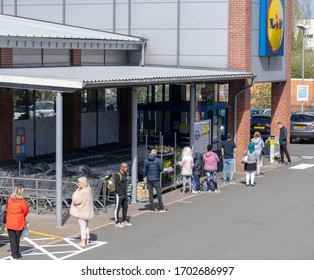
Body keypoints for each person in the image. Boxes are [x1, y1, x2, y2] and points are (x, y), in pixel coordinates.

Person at [70, 176, 94, 246]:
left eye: (80, 182)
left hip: (81, 212)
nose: (78, 183)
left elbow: (76, 201)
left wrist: (76, 192)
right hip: (87, 212)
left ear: (84, 183)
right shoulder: (88, 190)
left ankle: (83, 241)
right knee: (86, 226)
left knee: (82, 226)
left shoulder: (82, 192)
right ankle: (87, 239)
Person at [6, 186, 29, 259]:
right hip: (19, 222)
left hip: (10, 221)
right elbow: (26, 211)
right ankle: (16, 253)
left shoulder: (9, 199)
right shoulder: (22, 201)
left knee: (12, 239)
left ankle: (14, 253)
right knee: (17, 238)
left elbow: (7, 208)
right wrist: (22, 216)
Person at [113, 162, 132, 227]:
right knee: (117, 208)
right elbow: (116, 186)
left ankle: (124, 220)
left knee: (125, 207)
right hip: (119, 194)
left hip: (125, 193)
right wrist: (120, 194)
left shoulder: (125, 174)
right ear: (122, 167)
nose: (127, 168)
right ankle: (117, 222)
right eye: (126, 167)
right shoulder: (117, 175)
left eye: (127, 167)